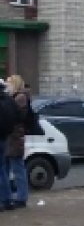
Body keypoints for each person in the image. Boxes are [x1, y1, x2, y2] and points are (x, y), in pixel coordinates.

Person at [3, 76, 38, 211]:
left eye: (9, 82)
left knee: (18, 168)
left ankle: (21, 198)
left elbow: (18, 116)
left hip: (15, 136)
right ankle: (8, 197)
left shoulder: (20, 97)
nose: (7, 84)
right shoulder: (15, 97)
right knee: (7, 168)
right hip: (11, 136)